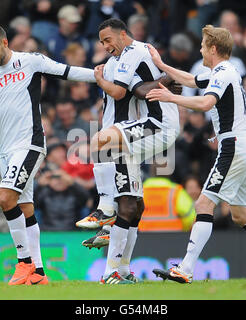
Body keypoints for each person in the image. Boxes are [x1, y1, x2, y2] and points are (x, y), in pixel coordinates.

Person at [145, 24, 246, 283]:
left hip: (234, 147)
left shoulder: (222, 72)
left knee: (204, 204)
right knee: (241, 214)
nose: (200, 49)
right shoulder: (226, 71)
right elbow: (191, 80)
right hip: (242, 145)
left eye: (203, 45)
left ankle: (185, 269)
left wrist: (169, 98)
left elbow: (206, 102)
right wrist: (161, 64)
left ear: (213, 49)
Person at [0, 24, 97, 286]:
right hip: (7, 149)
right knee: (24, 206)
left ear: (5, 42)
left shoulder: (30, 61)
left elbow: (67, 72)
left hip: (30, 143)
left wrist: (99, 76)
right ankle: (39, 273)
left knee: (4, 197)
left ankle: (23, 263)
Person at [75, 18, 180, 284]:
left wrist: (99, 80)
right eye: (101, 42)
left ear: (123, 34)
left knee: (101, 141)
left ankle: (105, 208)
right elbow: (140, 88)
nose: (105, 46)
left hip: (157, 125)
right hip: (147, 130)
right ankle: (120, 271)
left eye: (108, 39)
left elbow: (121, 93)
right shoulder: (123, 61)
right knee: (134, 205)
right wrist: (165, 80)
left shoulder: (134, 53)